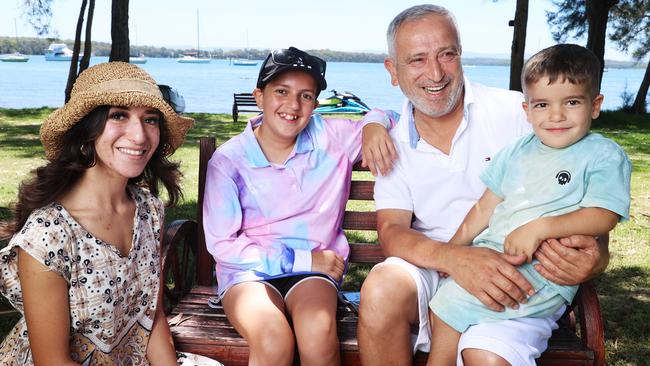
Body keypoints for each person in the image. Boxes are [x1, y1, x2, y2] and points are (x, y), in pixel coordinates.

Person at [357, 5, 612, 366]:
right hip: (435, 260)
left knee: (487, 350)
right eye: (416, 60)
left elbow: (583, 189)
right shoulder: (389, 142)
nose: (435, 72)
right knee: (381, 289)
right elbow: (392, 232)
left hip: (517, 263)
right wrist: (456, 259)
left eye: (447, 54)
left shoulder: (519, 114)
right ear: (392, 71)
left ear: (460, 55)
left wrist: (596, 257)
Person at [0, 62, 220, 366]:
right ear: (86, 129)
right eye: (118, 115)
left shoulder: (148, 210)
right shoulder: (47, 236)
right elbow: (53, 362)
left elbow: (152, 316)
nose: (140, 136)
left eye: (151, 119)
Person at [426, 44, 631, 365]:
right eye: (542, 104)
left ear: (595, 105)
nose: (556, 115)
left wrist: (540, 228)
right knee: (443, 309)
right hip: (493, 261)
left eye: (572, 102)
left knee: (456, 316)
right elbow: (483, 209)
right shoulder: (517, 151)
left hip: (542, 275)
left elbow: (603, 215)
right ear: (527, 110)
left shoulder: (602, 155)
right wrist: (452, 252)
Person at [202, 47, 395, 366]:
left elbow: (396, 118)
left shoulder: (332, 138)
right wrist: (304, 259)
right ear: (259, 96)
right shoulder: (229, 161)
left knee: (318, 333)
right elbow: (223, 244)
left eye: (306, 96)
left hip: (312, 273)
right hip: (250, 273)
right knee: (273, 338)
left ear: (315, 105)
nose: (293, 105)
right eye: (281, 92)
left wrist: (374, 124)